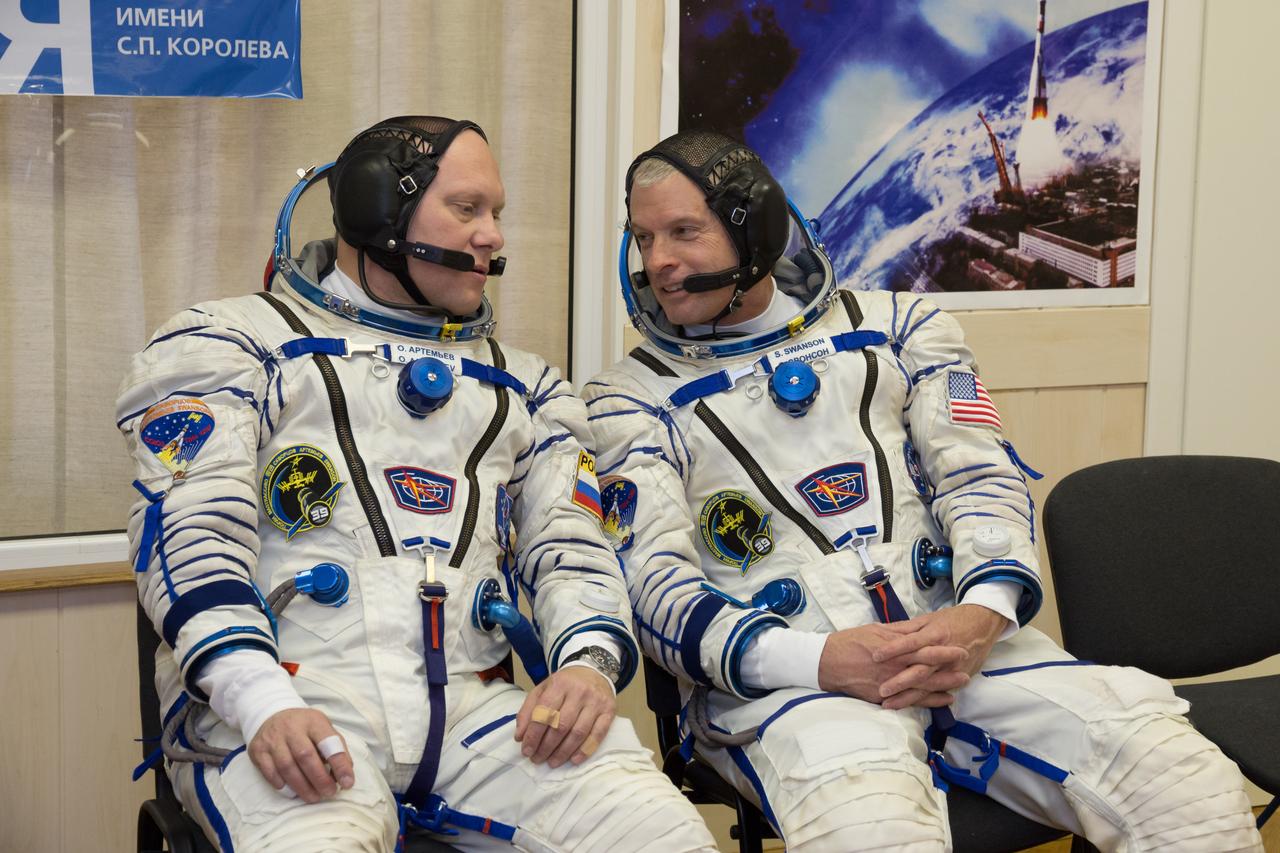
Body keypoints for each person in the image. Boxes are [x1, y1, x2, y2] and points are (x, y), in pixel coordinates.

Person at [583, 129, 1263, 852]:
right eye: (642, 236)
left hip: (962, 649)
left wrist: (981, 614)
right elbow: (655, 591)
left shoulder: (905, 331)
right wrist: (820, 658)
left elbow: (983, 477)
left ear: (756, 226)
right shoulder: (628, 400)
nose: (657, 261)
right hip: (787, 684)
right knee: (872, 829)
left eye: (683, 232)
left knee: (1181, 779)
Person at [117, 116, 717, 853]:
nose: (493, 235)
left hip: (480, 713)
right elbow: (190, 542)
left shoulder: (525, 388)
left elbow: (574, 552)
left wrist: (588, 666)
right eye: (468, 210)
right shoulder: (234, 346)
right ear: (379, 214)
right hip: (289, 708)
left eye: (496, 213)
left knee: (660, 833)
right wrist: (259, 698)